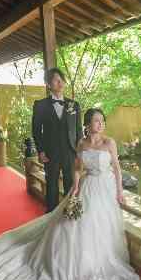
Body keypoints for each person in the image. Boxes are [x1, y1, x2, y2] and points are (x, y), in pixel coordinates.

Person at [0, 108, 141, 280]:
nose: (100, 124)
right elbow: (76, 168)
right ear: (87, 124)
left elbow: (117, 168)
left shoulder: (109, 143)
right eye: (96, 121)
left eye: (102, 121)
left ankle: (98, 263)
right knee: (72, 224)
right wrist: (74, 186)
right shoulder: (82, 143)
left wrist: (119, 191)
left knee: (100, 224)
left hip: (105, 188)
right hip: (87, 185)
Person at [32, 68, 83, 213]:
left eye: (62, 80)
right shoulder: (40, 105)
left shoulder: (74, 105)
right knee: (52, 186)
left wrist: (79, 153)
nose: (60, 83)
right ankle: (51, 217)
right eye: (56, 80)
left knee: (70, 185)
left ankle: (69, 214)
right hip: (50, 153)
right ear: (48, 84)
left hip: (70, 152)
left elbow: (79, 131)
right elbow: (36, 131)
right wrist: (41, 151)